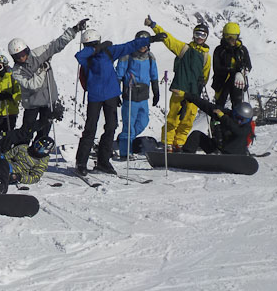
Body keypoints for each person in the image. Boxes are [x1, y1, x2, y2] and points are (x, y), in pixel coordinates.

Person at [74, 29, 166, 175]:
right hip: (96, 96)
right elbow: (79, 55)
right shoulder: (88, 56)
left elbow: (130, 45)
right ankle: (81, 162)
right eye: (89, 45)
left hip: (110, 94)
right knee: (91, 129)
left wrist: (151, 39)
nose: (89, 47)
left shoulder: (109, 51)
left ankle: (103, 161)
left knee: (111, 127)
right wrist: (97, 48)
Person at [9, 19, 87, 144]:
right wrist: (42, 70)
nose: (22, 58)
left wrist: (74, 30)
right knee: (26, 132)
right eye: (17, 56)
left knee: (43, 133)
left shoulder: (39, 53)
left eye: (23, 53)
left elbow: (56, 45)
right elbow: (33, 85)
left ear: (27, 50)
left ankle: (38, 157)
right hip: (32, 103)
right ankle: (20, 155)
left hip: (48, 100)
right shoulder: (17, 71)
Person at [146, 16, 212, 152]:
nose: (199, 37)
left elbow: (205, 74)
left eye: (202, 35)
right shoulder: (184, 48)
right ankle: (167, 142)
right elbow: (168, 39)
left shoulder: (207, 56)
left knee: (188, 119)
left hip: (194, 92)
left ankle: (179, 142)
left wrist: (201, 84)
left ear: (206, 37)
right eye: (197, 34)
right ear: (193, 35)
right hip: (179, 89)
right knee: (173, 118)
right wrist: (153, 25)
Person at [115, 31, 160, 159]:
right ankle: (125, 152)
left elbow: (154, 75)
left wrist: (156, 92)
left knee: (143, 121)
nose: (143, 47)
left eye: (145, 44)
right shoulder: (127, 56)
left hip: (143, 96)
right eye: (141, 44)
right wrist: (117, 93)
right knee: (129, 124)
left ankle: (124, 139)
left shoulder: (150, 57)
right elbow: (119, 74)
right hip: (130, 95)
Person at [172, 90, 254, 155]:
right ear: (234, 113)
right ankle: (186, 156)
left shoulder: (246, 127)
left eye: (243, 120)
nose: (239, 121)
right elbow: (206, 106)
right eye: (238, 118)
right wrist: (187, 95)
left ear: (248, 120)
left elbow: (237, 131)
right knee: (196, 135)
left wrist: (223, 117)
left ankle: (226, 156)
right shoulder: (228, 114)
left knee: (239, 137)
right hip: (218, 150)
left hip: (234, 153)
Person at [211, 22, 252, 109]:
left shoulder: (242, 50)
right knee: (219, 106)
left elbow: (248, 65)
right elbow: (217, 68)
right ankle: (217, 121)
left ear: (238, 36)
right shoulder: (219, 50)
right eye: (228, 36)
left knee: (237, 105)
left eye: (233, 36)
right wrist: (234, 72)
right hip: (221, 82)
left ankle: (235, 122)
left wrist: (242, 72)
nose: (231, 40)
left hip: (237, 83)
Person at [0, 54, 21, 134]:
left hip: (11, 111)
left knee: (9, 133)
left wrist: (11, 96)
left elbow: (19, 93)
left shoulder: (12, 78)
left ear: (5, 66)